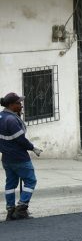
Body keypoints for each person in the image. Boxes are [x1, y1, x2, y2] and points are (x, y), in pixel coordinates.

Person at [0, 92, 42, 220]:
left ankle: (10, 210)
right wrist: (33, 148)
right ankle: (21, 208)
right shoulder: (11, 120)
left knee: (10, 184)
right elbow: (21, 140)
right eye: (19, 103)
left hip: (6, 158)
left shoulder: (2, 116)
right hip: (19, 157)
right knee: (30, 180)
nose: (21, 105)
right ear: (12, 105)